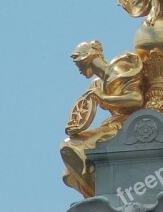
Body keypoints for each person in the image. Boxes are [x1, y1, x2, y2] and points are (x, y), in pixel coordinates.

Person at [60, 40, 144, 197]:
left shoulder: (119, 69)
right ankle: (98, 196)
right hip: (113, 126)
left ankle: (104, 196)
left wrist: (104, 98)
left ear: (86, 58)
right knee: (69, 153)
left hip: (129, 125)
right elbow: (85, 113)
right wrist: (76, 128)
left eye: (78, 64)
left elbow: (137, 99)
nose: (79, 70)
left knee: (72, 148)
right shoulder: (96, 84)